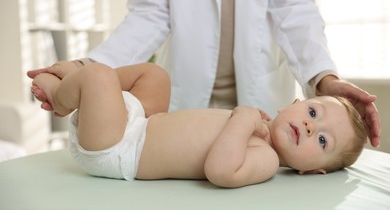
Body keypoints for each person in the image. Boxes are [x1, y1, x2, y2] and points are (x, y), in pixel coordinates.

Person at [27, 0, 380, 147]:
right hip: (183, 97)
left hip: (262, 100)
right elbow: (151, 13)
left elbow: (294, 8)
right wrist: (89, 66)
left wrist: (323, 77)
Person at [31, 62, 367, 188]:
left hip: (118, 149)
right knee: (156, 75)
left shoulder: (265, 160)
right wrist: (249, 119)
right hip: (141, 124)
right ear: (293, 105)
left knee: (99, 75)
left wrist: (242, 119)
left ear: (311, 171)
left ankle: (62, 94)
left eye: (323, 142)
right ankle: (89, 87)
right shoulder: (261, 125)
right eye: (312, 114)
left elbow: (220, 170)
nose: (311, 129)